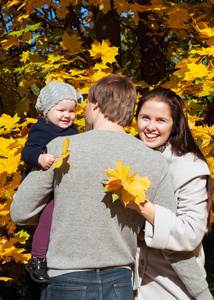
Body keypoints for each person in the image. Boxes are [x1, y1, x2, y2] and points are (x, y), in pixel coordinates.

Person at [10, 74, 209, 300]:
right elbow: (169, 240)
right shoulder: (153, 160)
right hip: (120, 284)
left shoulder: (61, 147)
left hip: (66, 280)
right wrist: (203, 294)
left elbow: (20, 212)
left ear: (95, 105)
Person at [133, 87, 213, 299]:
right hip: (125, 287)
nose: (150, 127)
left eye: (161, 120)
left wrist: (141, 206)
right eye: (145, 118)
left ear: (174, 126)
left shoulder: (189, 167)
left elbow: (190, 234)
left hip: (173, 288)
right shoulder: (126, 157)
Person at [21, 80, 83, 283]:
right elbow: (27, 151)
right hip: (45, 187)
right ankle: (38, 258)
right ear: (47, 111)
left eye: (72, 111)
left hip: (65, 184)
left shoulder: (74, 132)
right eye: (61, 110)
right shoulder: (42, 129)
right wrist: (40, 157)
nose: (67, 115)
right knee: (48, 217)